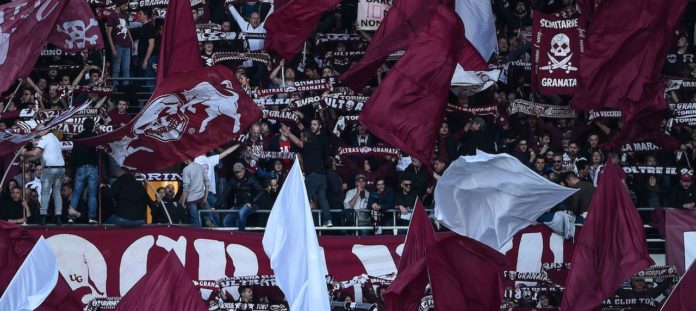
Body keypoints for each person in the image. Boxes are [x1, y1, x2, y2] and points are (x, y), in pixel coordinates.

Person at [280, 121, 333, 226]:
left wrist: (289, 133)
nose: (300, 138)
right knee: (322, 198)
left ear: (305, 137)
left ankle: (300, 222)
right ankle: (328, 220)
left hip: (313, 176)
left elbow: (299, 143)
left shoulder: (308, 145)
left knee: (303, 199)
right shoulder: (318, 144)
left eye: (301, 136)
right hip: (322, 176)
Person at [20, 128, 65, 225]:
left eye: (38, 132)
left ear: (43, 131)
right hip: (61, 168)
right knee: (57, 193)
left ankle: (43, 216)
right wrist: (27, 158)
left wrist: (23, 153)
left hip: (50, 169)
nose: (38, 134)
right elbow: (37, 156)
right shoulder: (54, 138)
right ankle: (58, 217)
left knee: (45, 193)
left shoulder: (45, 138)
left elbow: (35, 153)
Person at [194, 143, 240, 226]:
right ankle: (212, 227)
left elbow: (226, 153)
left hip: (210, 192)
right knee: (209, 214)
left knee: (215, 213)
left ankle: (217, 231)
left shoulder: (210, 159)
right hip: (201, 192)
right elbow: (226, 153)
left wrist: (237, 145)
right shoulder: (196, 160)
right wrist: (238, 144)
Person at [69, 118, 99, 224]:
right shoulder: (96, 137)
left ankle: (71, 217)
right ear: (93, 126)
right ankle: (91, 217)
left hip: (80, 167)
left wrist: (73, 169)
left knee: (76, 193)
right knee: (92, 194)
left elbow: (73, 155)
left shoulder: (77, 138)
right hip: (92, 167)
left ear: (83, 126)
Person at [218, 162, 263, 230]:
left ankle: (241, 235)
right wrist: (216, 205)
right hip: (239, 204)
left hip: (252, 204)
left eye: (239, 172)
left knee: (242, 213)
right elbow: (225, 193)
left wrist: (252, 202)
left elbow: (261, 190)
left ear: (244, 170)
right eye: (236, 172)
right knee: (226, 222)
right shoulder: (233, 180)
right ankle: (234, 236)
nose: (238, 174)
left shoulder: (250, 178)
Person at [106, 0, 134, 87]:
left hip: (127, 45)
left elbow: (127, 28)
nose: (126, 6)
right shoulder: (112, 15)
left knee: (126, 68)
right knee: (116, 69)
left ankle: (126, 90)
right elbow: (108, 33)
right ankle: (115, 90)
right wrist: (113, 48)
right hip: (117, 45)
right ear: (120, 4)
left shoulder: (125, 14)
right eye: (124, 4)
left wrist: (131, 40)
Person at [180, 159, 209, 227]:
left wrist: (182, 202)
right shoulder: (201, 167)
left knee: (194, 220)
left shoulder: (186, 169)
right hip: (201, 197)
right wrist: (205, 198)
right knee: (207, 218)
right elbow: (207, 184)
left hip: (191, 199)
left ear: (187, 159)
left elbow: (186, 188)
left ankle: (198, 235)